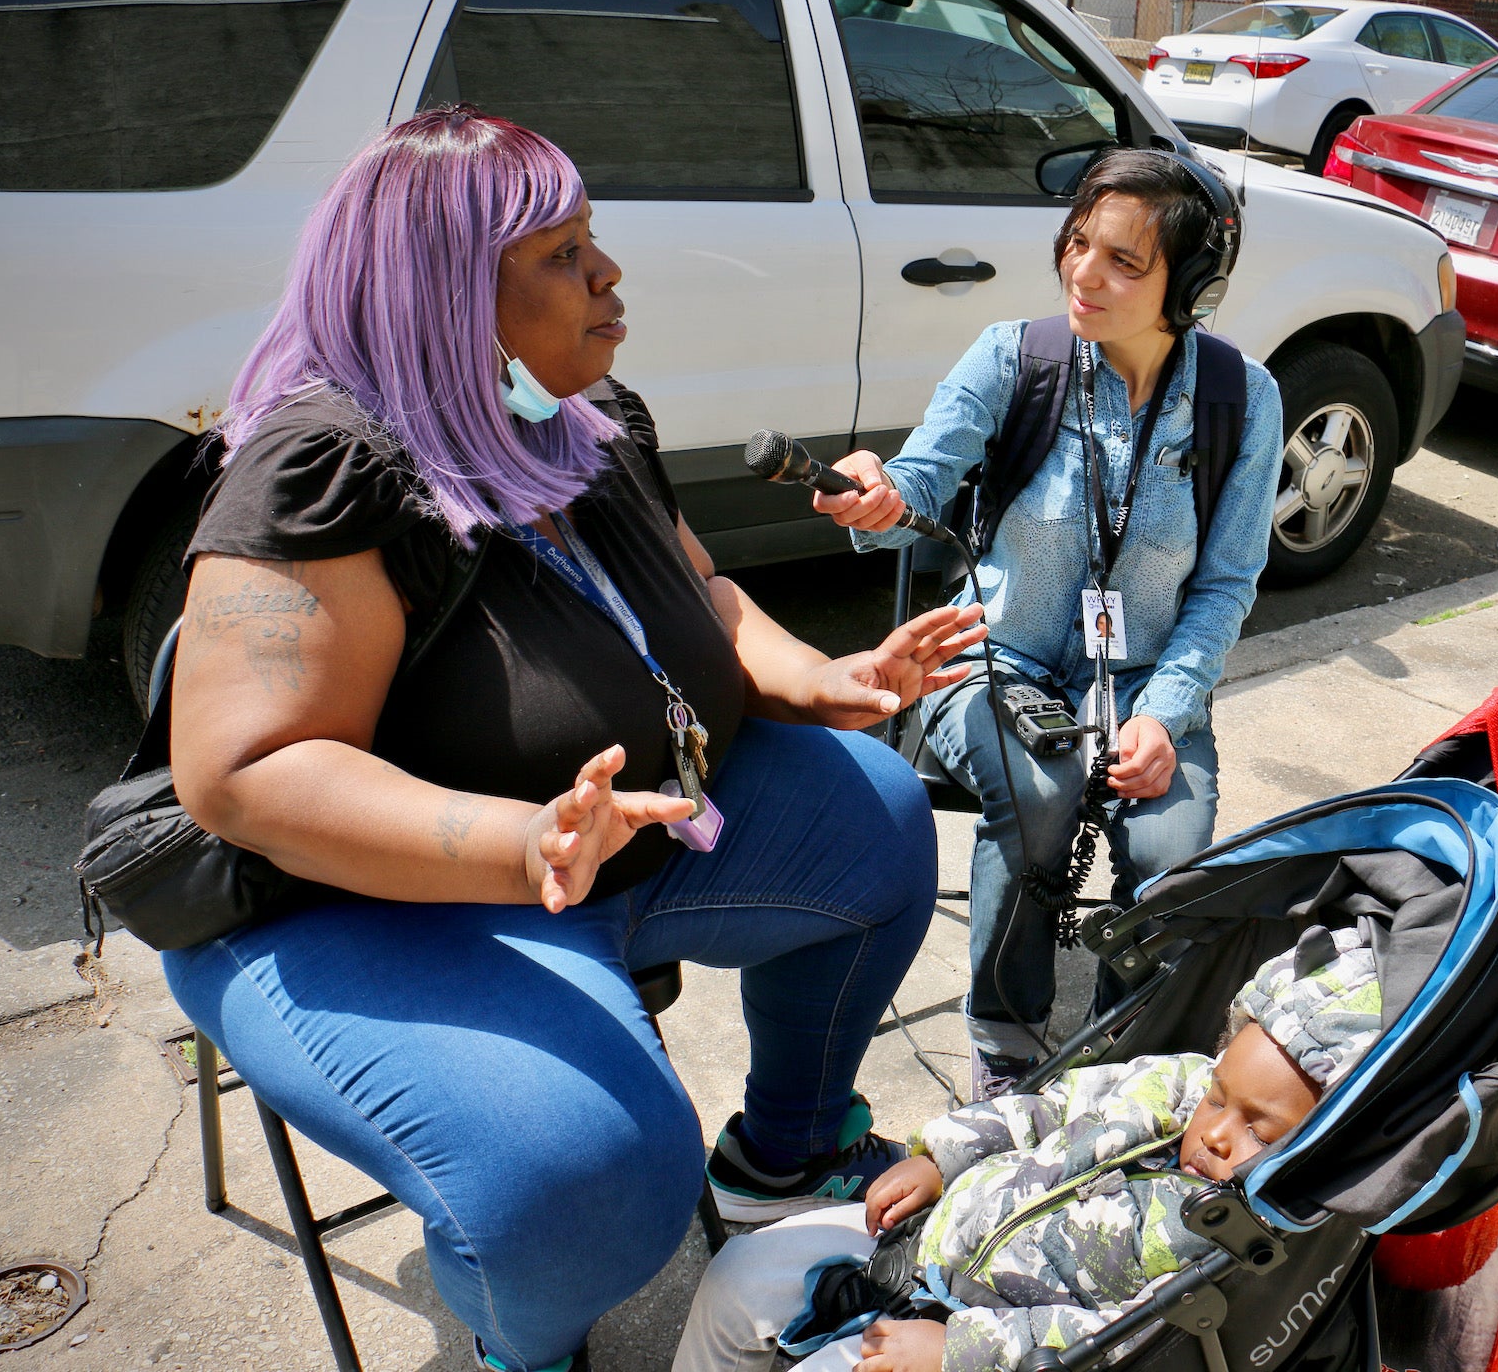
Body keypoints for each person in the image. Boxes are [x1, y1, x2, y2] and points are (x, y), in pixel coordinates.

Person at [161, 106, 984, 1372]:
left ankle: (787, 1150)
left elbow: (699, 596)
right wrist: (518, 840)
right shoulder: (328, 466)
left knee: (879, 817)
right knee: (590, 1171)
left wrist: (818, 677)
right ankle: (529, 1345)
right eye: (559, 254)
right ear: (440, 291)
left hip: (609, 843)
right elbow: (242, 771)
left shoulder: (585, 418)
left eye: (591, 239)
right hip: (361, 904)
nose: (607, 275)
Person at [818, 149, 1285, 1098]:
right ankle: (1006, 1034)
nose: (1084, 274)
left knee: (1174, 854)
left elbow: (1228, 583)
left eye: (1123, 262)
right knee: (1041, 795)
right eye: (1077, 244)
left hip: (1150, 679)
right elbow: (917, 485)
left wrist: (1168, 710)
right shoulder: (1012, 358)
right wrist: (878, 499)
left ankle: (1127, 1054)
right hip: (993, 655)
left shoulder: (1246, 400)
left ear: (1193, 287)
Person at [672, 928, 1385, 1372]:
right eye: (1221, 1098)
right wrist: (943, 1157)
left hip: (984, 1337)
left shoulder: (1231, 1235)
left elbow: (1116, 1337)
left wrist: (958, 1354)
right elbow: (1048, 1106)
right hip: (931, 1235)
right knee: (740, 1273)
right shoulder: (1178, 1083)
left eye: (1261, 1130)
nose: (1219, 1131)